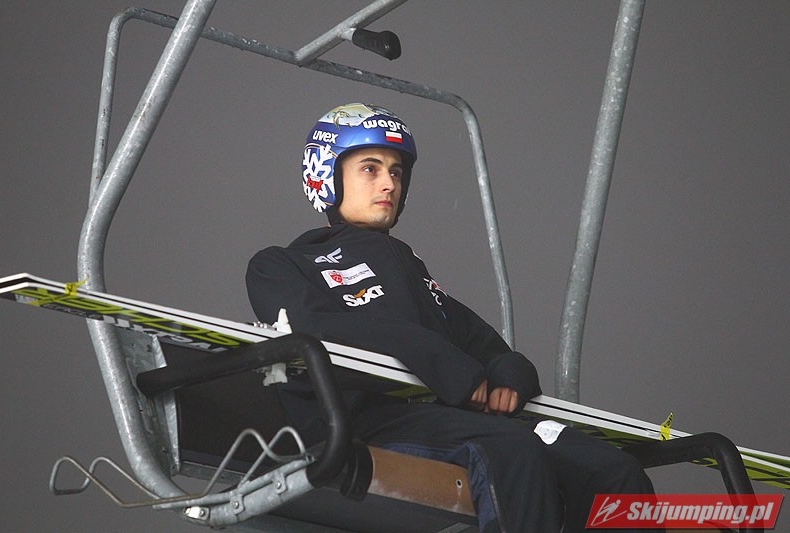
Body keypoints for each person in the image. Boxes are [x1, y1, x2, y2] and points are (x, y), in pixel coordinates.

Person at [246, 103, 656, 532]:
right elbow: (315, 328)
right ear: (326, 175)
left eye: (396, 172)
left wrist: (509, 376)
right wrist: (442, 363)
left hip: (452, 420)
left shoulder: (411, 272)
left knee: (616, 472)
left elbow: (486, 346)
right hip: (368, 421)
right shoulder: (283, 264)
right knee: (512, 448)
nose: (389, 183)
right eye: (370, 169)